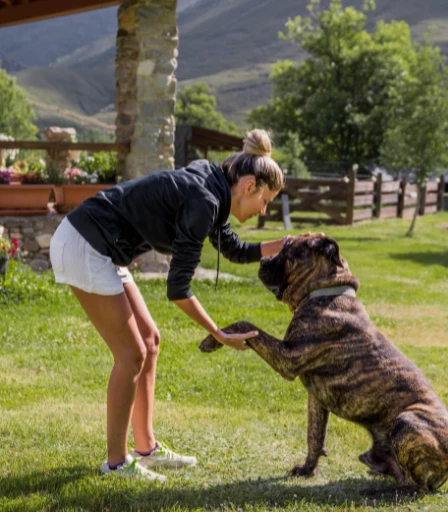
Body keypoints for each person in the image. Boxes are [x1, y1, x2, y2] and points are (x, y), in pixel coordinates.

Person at [49, 129, 290, 482]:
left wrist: (286, 243)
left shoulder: (214, 190)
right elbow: (178, 289)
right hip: (85, 243)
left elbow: (235, 250)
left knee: (150, 341)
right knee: (131, 353)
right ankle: (116, 464)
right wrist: (218, 333)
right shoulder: (205, 200)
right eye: (265, 201)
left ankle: (146, 449)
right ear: (249, 185)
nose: (263, 210)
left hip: (103, 246)